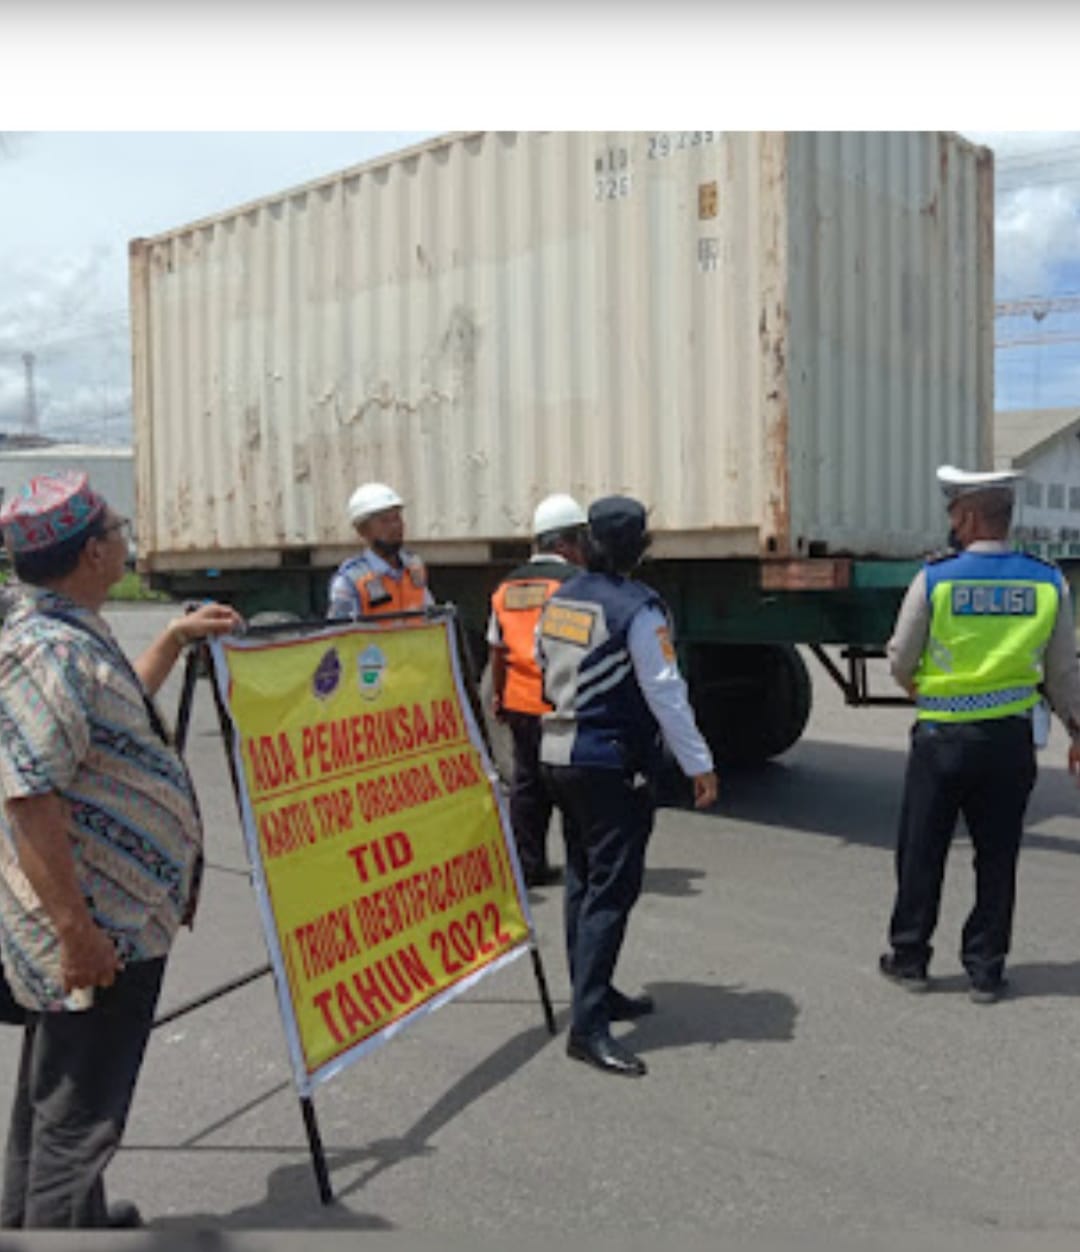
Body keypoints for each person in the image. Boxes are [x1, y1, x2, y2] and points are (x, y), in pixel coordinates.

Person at [0, 471, 243, 1229]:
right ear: (92, 552)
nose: (126, 540)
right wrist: (78, 934)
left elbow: (101, 729)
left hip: (103, 921)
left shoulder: (69, 628)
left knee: (56, 1095)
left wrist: (170, 639)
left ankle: (39, 1222)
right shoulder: (48, 649)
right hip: (97, 931)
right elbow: (30, 796)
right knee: (80, 1119)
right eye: (115, 530)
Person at [881, 464, 1080, 1005]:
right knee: (997, 857)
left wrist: (918, 690)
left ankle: (910, 958)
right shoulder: (1047, 581)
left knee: (922, 850)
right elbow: (1064, 672)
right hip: (1009, 744)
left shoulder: (936, 578)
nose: (950, 521)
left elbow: (901, 656)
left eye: (953, 512)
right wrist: (1076, 730)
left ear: (968, 517)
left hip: (942, 739)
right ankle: (986, 969)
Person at [537, 495, 718, 1077]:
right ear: (639, 546)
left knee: (583, 883)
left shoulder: (561, 599)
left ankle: (595, 992)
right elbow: (666, 691)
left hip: (558, 755)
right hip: (610, 763)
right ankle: (589, 1029)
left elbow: (544, 663)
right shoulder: (639, 610)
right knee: (610, 891)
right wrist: (699, 764)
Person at [487, 494, 588, 888]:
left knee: (528, 787)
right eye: (582, 539)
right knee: (573, 786)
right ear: (565, 544)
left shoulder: (507, 587)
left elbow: (498, 649)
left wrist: (499, 694)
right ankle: (583, 866)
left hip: (519, 702)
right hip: (561, 703)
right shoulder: (576, 585)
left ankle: (528, 865)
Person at [327, 481, 433, 619]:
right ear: (362, 530)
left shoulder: (414, 569)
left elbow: (432, 619)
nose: (395, 526)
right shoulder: (350, 581)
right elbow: (340, 634)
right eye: (384, 521)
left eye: (397, 518)